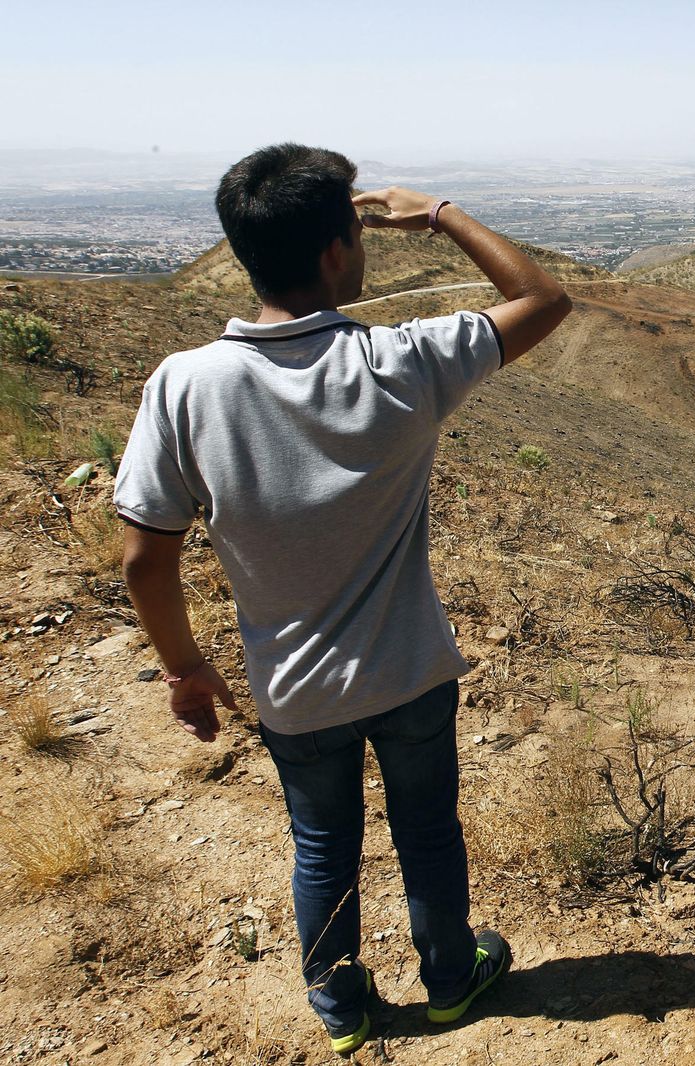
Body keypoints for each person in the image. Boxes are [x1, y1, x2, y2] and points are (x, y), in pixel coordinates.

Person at [114, 143, 571, 1055]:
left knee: (322, 847)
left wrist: (185, 669)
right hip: (409, 675)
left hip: (295, 692)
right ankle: (449, 980)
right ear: (336, 250)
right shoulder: (401, 362)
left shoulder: (185, 386)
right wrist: (437, 212)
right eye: (356, 234)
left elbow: (142, 559)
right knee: (428, 834)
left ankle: (341, 1009)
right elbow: (545, 299)